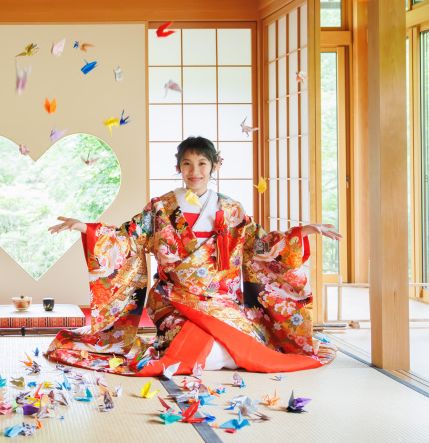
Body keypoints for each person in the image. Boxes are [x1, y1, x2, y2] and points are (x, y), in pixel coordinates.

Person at [46, 136, 340, 376]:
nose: (194, 171)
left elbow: (261, 246)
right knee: (207, 348)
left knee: (238, 347)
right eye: (187, 164)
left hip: (221, 301)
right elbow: (127, 238)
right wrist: (86, 227)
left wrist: (301, 233)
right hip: (174, 300)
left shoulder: (231, 209)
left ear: (214, 166)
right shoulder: (160, 208)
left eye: (202, 163)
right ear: (179, 167)